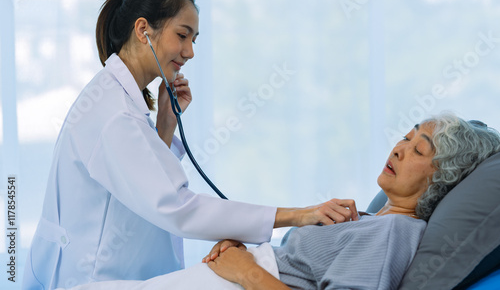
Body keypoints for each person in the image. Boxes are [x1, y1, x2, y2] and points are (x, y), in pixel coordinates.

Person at [22, 0, 357, 290]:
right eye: (182, 35)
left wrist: (165, 125)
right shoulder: (114, 112)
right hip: (89, 275)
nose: (190, 51)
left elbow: (138, 182)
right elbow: (177, 207)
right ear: (143, 30)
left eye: (193, 40)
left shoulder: (120, 98)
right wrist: (299, 215)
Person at [51, 113, 500, 290]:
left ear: (442, 179)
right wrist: (241, 250)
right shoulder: (364, 217)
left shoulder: (397, 231)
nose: (400, 147)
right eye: (406, 136)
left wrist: (246, 270)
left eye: (419, 150)